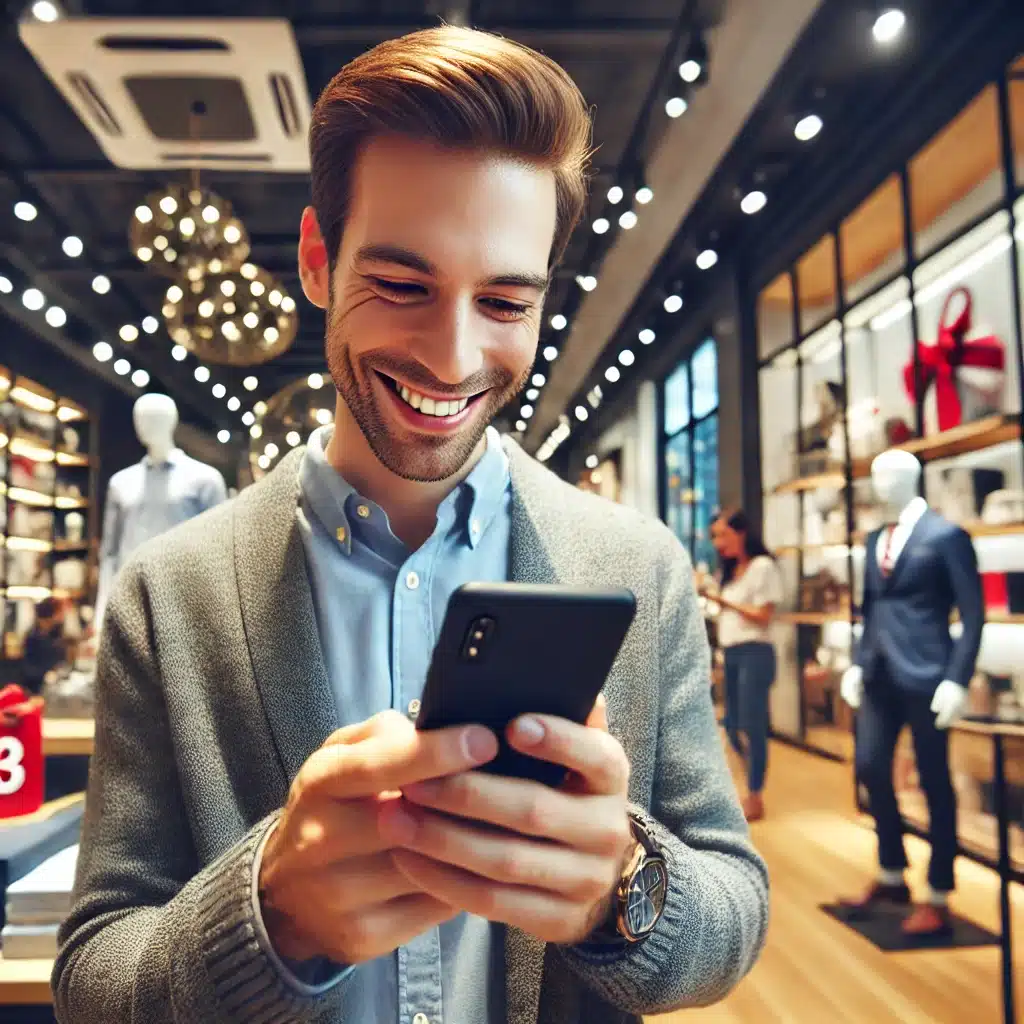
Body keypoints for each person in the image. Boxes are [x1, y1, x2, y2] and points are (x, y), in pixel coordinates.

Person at [54, 26, 768, 1024]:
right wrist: (269, 918)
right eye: (401, 285)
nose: (451, 355)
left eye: (506, 301)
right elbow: (92, 975)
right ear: (316, 259)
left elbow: (736, 909)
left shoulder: (636, 567)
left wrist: (623, 887)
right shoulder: (170, 596)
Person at [707, 509, 784, 822]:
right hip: (734, 654)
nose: (717, 542)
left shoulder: (762, 567)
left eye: (722, 534)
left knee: (752, 725)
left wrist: (724, 603)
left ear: (741, 534)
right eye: (714, 536)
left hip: (755, 652)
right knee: (733, 723)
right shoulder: (728, 573)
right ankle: (752, 779)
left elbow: (763, 615)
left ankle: (755, 794)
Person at [21, 596, 69, 695]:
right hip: (35, 690)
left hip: (53, 689)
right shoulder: (32, 637)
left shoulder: (55, 634)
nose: (63, 615)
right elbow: (27, 668)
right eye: (60, 612)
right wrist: (45, 674)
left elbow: (60, 658)